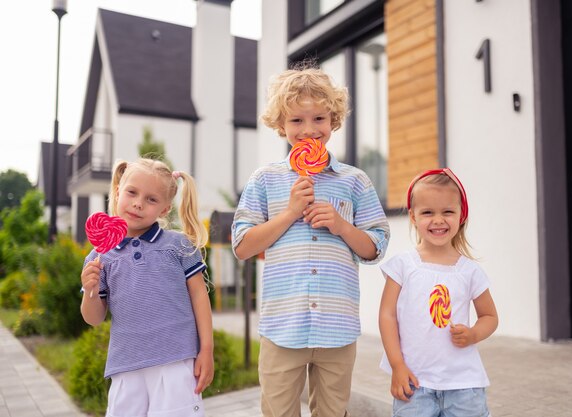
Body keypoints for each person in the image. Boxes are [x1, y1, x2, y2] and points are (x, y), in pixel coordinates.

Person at [232, 63, 390, 417]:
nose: (309, 130)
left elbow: (375, 247)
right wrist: (289, 213)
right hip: (282, 327)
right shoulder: (265, 180)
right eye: (297, 121)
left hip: (337, 328)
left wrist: (342, 226)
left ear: (333, 120)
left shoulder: (355, 181)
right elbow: (242, 246)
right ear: (280, 125)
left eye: (319, 118)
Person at [80, 158, 214, 417]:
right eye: (132, 192)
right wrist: (90, 290)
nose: (138, 203)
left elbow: (199, 296)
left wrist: (206, 349)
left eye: (151, 199)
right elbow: (94, 318)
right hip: (126, 366)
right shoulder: (100, 257)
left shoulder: (179, 246)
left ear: (164, 209)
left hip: (176, 361)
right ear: (118, 192)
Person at [378, 168, 498, 417]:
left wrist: (474, 333)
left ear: (461, 215)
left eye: (448, 212)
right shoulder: (402, 266)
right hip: (414, 382)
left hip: (464, 385)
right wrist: (397, 365)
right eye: (428, 212)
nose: (438, 220)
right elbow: (387, 316)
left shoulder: (469, 271)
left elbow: (490, 316)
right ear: (413, 216)